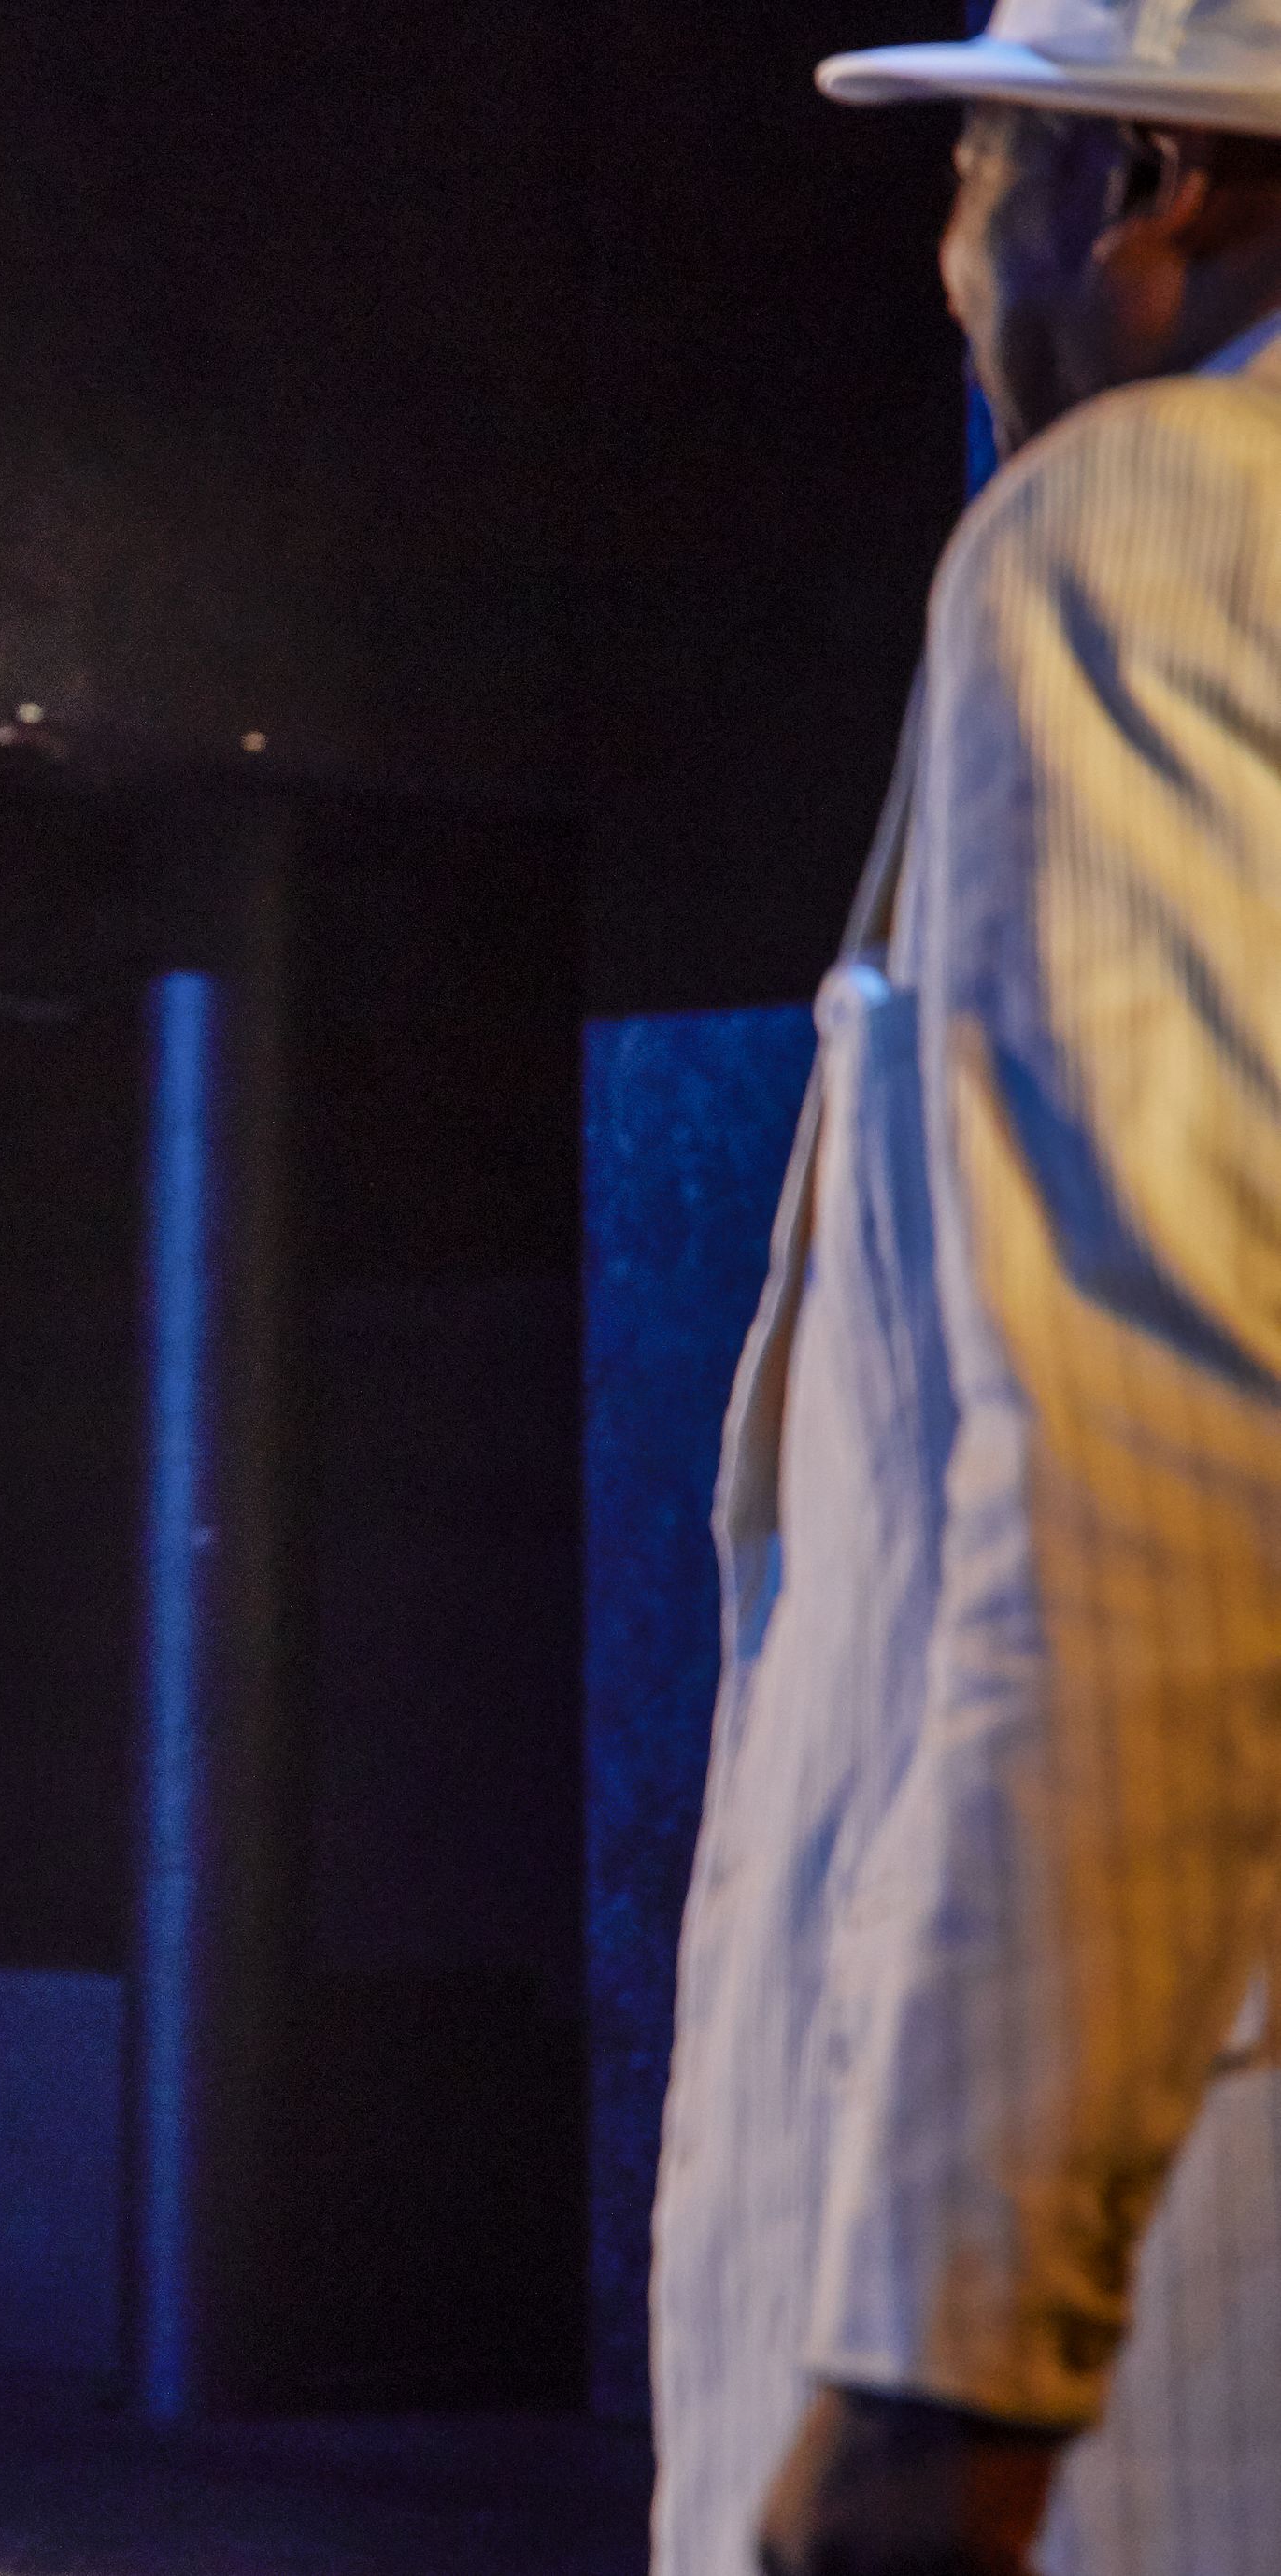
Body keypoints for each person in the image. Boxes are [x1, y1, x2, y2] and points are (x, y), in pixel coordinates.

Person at [654, 10, 1281, 2570]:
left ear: (1130, 176)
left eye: (970, 168)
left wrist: (945, 2378)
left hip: (1148, 2306)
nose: (944, 257)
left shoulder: (1146, 526)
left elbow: (1157, 1444)